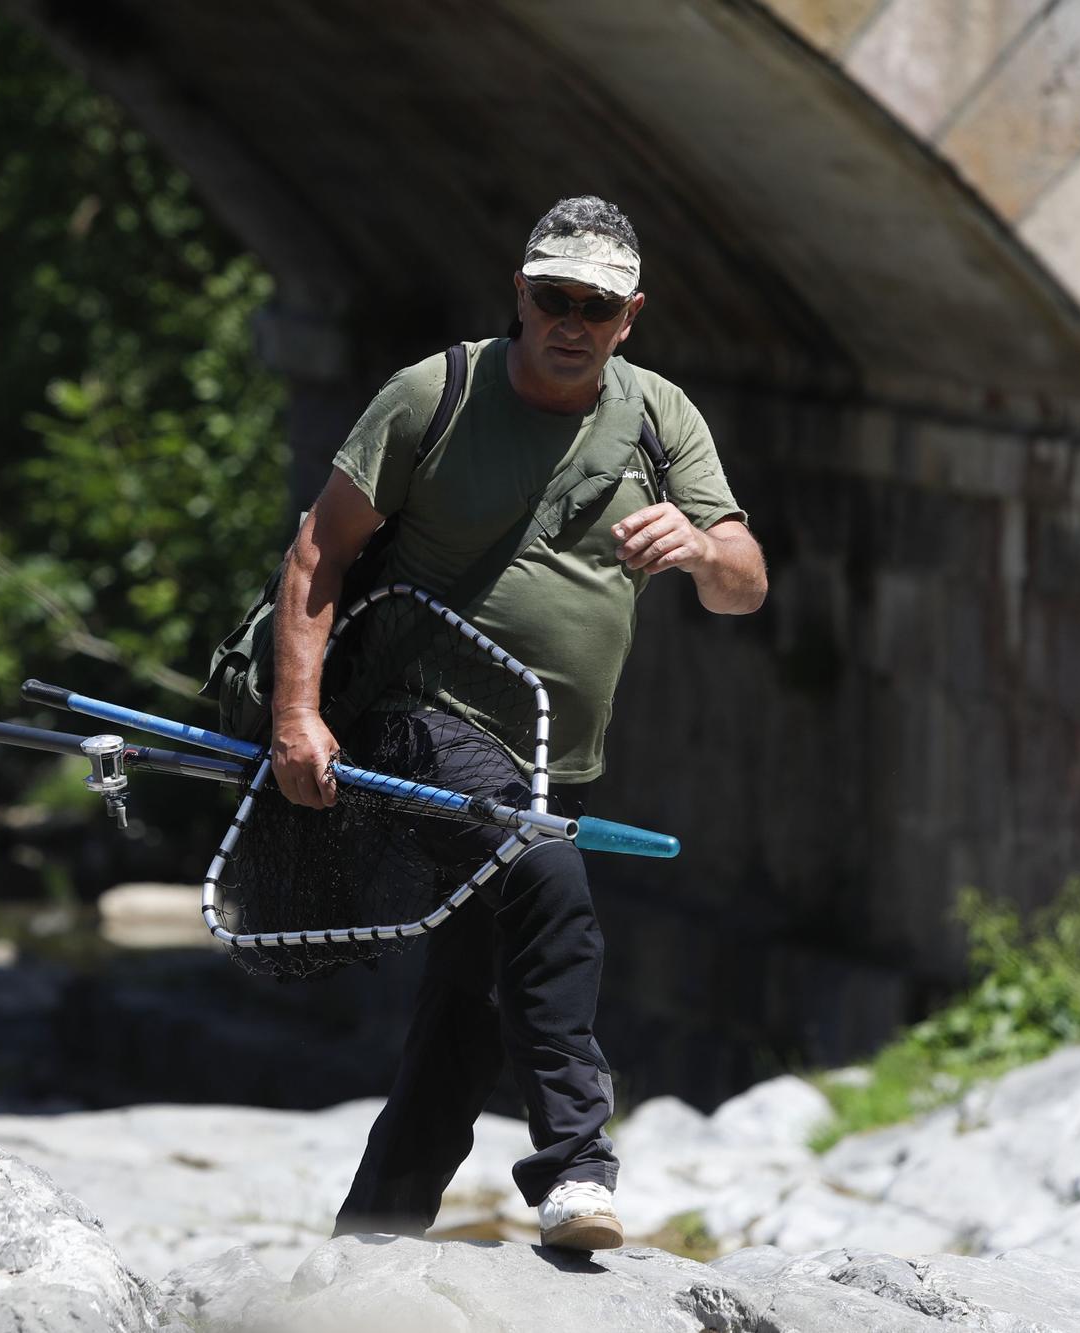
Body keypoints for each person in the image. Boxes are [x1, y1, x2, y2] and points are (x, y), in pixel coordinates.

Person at [269, 196, 767, 1249]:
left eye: (594, 304)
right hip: (420, 716)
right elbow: (320, 551)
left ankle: (368, 1240)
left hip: (554, 758)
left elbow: (745, 586)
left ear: (628, 316)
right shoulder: (431, 395)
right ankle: (576, 1166)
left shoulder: (656, 416)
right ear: (519, 294)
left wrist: (699, 548)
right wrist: (297, 717)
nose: (570, 319)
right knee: (545, 879)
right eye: (552, 296)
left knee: (467, 1018)